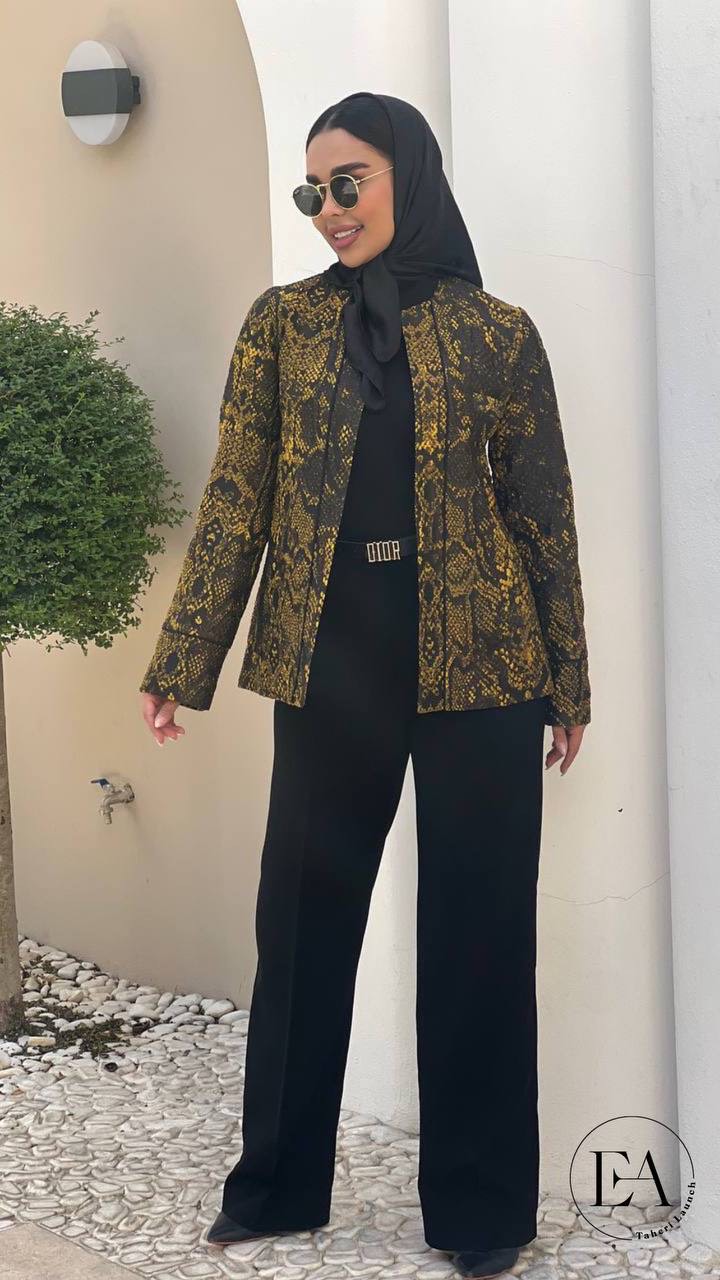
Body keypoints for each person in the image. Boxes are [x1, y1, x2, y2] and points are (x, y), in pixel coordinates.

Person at [139, 92, 591, 1280]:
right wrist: (183, 659)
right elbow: (236, 498)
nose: (329, 209)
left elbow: (542, 513)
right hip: (328, 655)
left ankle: (482, 1213)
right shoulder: (281, 325)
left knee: (480, 933)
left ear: (409, 178)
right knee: (301, 923)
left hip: (485, 666)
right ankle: (277, 1186)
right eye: (314, 191)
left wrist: (569, 679)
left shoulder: (498, 333)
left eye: (350, 183)